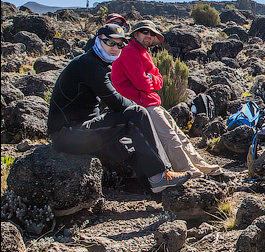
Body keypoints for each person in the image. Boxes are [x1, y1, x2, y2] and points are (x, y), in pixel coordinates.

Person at [46, 22, 190, 193]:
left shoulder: (99, 64)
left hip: (80, 130)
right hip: (67, 134)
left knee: (128, 147)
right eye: (110, 42)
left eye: (120, 44)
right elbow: (116, 103)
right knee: (136, 114)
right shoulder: (90, 65)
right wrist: (140, 108)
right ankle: (160, 174)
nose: (115, 48)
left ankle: (157, 192)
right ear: (98, 40)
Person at [110, 20, 225, 179]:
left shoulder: (144, 53)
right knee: (169, 138)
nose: (149, 36)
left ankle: (200, 164)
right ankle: (188, 171)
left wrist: (150, 79)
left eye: (151, 33)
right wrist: (151, 79)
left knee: (179, 135)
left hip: (150, 102)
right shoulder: (129, 51)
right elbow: (142, 82)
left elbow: (160, 81)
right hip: (140, 105)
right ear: (135, 34)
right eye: (145, 32)